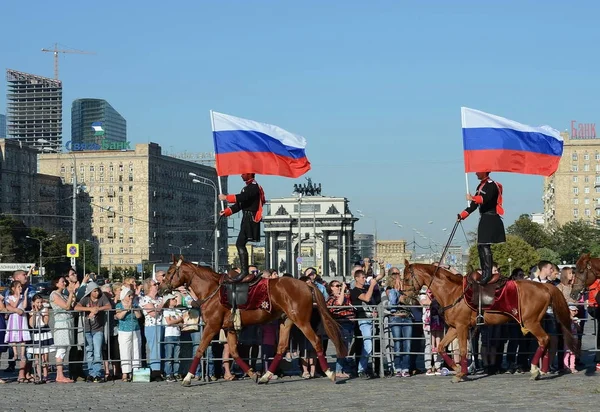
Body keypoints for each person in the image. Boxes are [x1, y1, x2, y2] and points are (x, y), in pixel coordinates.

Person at [458, 171, 506, 284]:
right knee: (480, 245)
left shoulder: (492, 185)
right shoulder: (481, 186)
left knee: (485, 244)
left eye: (478, 172)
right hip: (484, 218)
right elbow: (474, 205)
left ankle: (488, 273)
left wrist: (472, 197)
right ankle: (484, 271)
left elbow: (486, 198)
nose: (475, 173)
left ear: (484, 172)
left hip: (491, 218)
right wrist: (462, 215)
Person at [219, 173, 265, 281]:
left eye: (243, 173)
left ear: (249, 174)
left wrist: (226, 197)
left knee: (240, 243)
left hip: (250, 219)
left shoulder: (253, 187)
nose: (241, 175)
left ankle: (244, 271)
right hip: (246, 218)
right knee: (240, 243)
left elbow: (243, 197)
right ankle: (244, 271)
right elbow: (240, 205)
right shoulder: (248, 187)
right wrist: (226, 212)